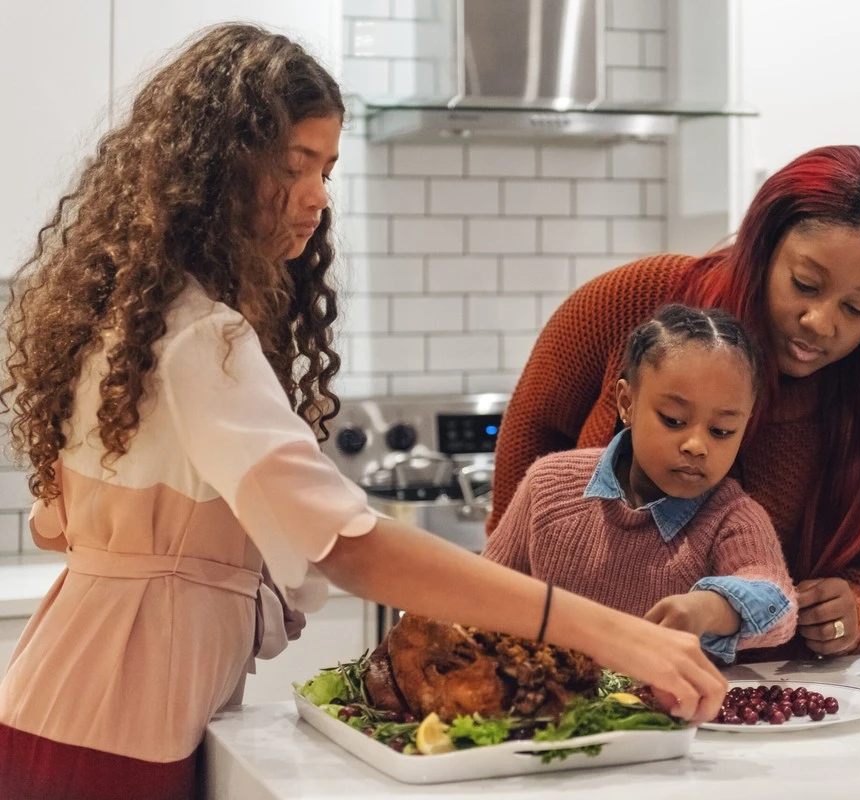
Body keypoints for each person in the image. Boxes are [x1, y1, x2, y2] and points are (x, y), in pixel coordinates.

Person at [0, 24, 724, 800]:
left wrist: (237, 586)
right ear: (215, 169)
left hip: (74, 701)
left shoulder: (149, 318)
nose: (317, 196)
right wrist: (612, 631)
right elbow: (354, 548)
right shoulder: (200, 338)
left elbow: (96, 532)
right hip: (117, 727)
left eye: (327, 169)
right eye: (293, 167)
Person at [489, 145, 860, 661]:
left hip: (759, 696)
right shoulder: (636, 300)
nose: (819, 322)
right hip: (571, 667)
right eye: (804, 284)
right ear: (764, 249)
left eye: (856, 308)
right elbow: (533, 430)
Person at [485, 304, 798, 663]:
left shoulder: (731, 517)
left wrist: (711, 607)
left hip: (671, 716)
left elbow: (777, 602)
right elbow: (485, 591)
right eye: (674, 420)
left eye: (722, 431)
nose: (696, 445)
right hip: (552, 710)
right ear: (626, 402)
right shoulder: (548, 486)